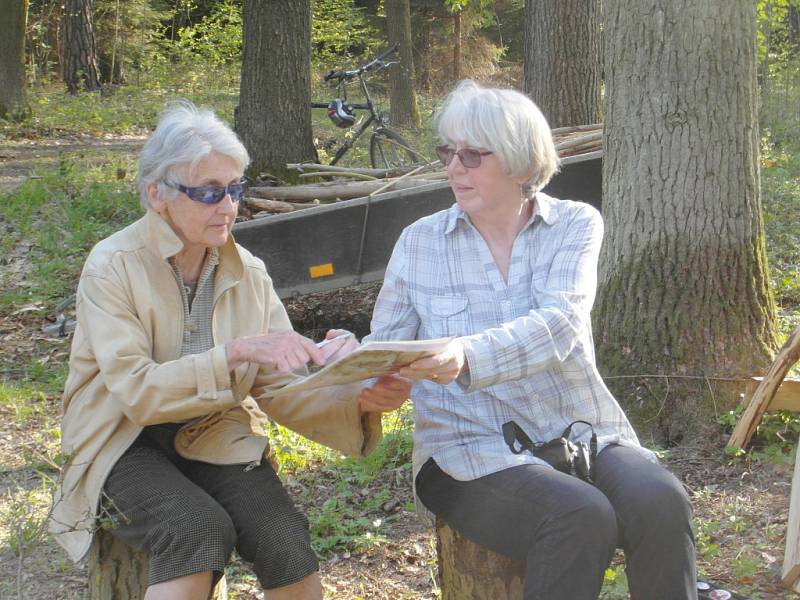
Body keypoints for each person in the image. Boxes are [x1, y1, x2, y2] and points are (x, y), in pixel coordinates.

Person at [49, 101, 410, 600]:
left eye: (235, 189)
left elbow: (279, 387)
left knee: (284, 534)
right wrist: (237, 352)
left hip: (213, 430)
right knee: (195, 528)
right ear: (158, 194)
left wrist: (354, 394)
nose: (228, 206)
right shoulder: (113, 265)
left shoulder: (249, 271)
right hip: (119, 437)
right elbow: (136, 392)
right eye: (208, 192)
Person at [363, 80, 697, 600]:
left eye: (472, 155)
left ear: (520, 162)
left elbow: (560, 324)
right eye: (447, 152)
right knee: (579, 516)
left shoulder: (574, 224)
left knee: (661, 500)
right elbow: (385, 351)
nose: (453, 167)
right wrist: (366, 373)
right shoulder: (419, 242)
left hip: (578, 430)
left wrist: (465, 354)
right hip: (465, 449)